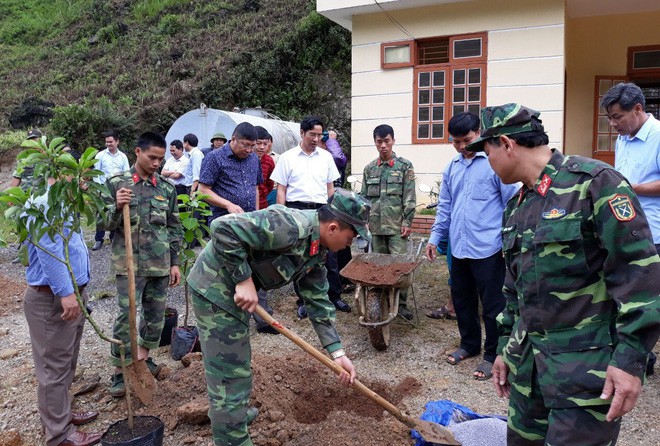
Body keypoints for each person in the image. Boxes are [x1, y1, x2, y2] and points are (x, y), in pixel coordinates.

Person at [467, 103, 660, 445]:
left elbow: (640, 278)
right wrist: (504, 350)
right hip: (529, 374)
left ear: (507, 145)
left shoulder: (595, 185)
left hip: (587, 375)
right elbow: (515, 289)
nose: (487, 161)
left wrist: (631, 361)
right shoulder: (516, 206)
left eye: (486, 151)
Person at [187, 188, 368, 446]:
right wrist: (244, 280)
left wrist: (337, 352)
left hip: (235, 291)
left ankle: (233, 416)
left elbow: (317, 300)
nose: (349, 246)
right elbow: (222, 228)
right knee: (230, 370)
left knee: (238, 362)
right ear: (333, 228)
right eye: (350, 239)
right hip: (215, 287)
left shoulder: (318, 250)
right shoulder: (290, 226)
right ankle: (231, 437)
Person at [424, 112, 518, 379]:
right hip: (459, 246)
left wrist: (508, 241)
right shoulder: (452, 166)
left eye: (466, 140)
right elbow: (445, 206)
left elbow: (511, 204)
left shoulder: (493, 163)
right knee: (462, 299)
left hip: (489, 247)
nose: (462, 147)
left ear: (479, 133)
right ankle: (469, 345)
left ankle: (492, 354)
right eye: (455, 142)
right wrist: (434, 237)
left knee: (493, 304)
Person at [101, 131, 183, 397]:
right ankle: (120, 370)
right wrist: (115, 206)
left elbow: (174, 228)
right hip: (129, 265)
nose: (157, 163)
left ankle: (143, 360)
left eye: (161, 159)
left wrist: (175, 263)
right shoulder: (117, 184)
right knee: (126, 318)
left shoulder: (166, 188)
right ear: (137, 152)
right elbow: (102, 225)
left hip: (159, 265)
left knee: (156, 316)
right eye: (152, 158)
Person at [24, 181, 103, 446]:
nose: (84, 181)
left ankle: (62, 414)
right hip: (53, 298)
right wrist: (66, 293)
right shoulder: (45, 204)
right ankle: (59, 435)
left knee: (66, 361)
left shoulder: (66, 204)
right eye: (76, 175)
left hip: (72, 294)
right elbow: (50, 252)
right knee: (53, 369)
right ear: (58, 174)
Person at [601, 83, 660, 376]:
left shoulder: (659, 136)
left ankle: (642, 358)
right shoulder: (623, 139)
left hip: (653, 234)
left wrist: (632, 189)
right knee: (620, 295)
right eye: (609, 118)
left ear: (638, 109)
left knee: (646, 298)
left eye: (617, 117)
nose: (613, 124)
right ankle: (629, 354)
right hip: (622, 229)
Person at [270, 116, 351, 318]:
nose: (316, 138)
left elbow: (330, 187)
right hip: (296, 209)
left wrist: (334, 214)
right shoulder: (287, 158)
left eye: (319, 135)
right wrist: (283, 215)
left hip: (323, 211)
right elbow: (281, 190)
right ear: (302, 133)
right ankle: (303, 301)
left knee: (329, 256)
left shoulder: (325, 157)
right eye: (312, 134)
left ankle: (334, 296)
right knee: (301, 257)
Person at [361, 124, 417, 320]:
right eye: (379, 141)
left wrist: (407, 221)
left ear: (393, 140)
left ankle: (401, 305)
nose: (383, 145)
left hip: (396, 227)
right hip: (376, 227)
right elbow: (365, 198)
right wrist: (364, 221)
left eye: (387, 141)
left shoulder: (404, 166)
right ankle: (381, 301)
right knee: (379, 267)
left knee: (399, 266)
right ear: (375, 142)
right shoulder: (369, 169)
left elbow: (409, 196)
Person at [198, 122, 263, 222]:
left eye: (253, 146)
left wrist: (256, 213)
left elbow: (255, 187)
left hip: (249, 220)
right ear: (233, 139)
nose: (248, 150)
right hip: (224, 221)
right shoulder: (215, 157)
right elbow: (202, 190)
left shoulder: (254, 158)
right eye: (245, 145)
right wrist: (228, 205)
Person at [91, 130, 130, 251]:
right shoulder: (100, 155)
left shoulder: (123, 156)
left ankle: (114, 238)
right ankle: (99, 239)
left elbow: (126, 173)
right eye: (106, 142)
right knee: (102, 213)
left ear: (117, 141)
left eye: (111, 142)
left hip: (117, 190)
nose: (108, 144)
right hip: (104, 189)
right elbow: (96, 173)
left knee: (116, 213)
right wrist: (99, 189)